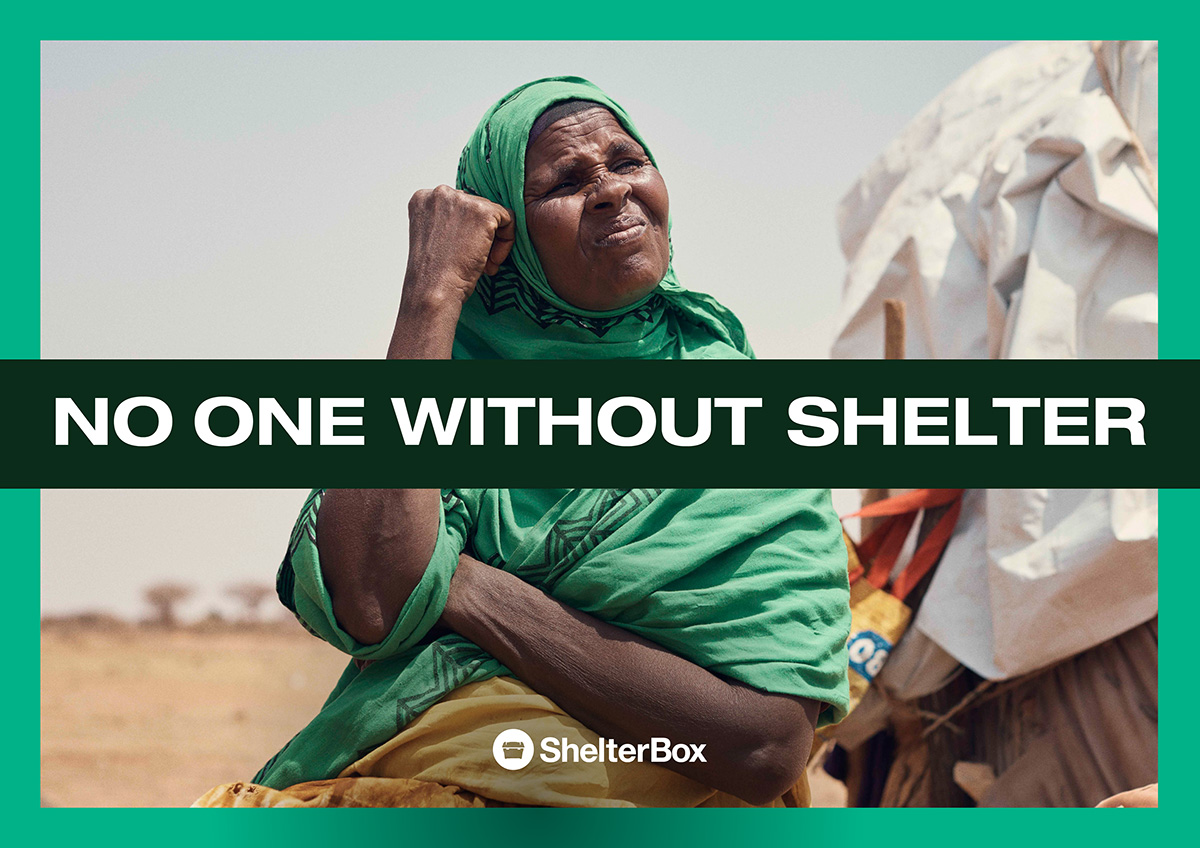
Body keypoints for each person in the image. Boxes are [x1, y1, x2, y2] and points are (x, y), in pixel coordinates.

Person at [195, 77, 851, 809]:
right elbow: (374, 602)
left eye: (628, 161)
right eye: (565, 183)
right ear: (507, 244)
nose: (608, 191)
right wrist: (432, 295)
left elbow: (761, 744)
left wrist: (465, 587)